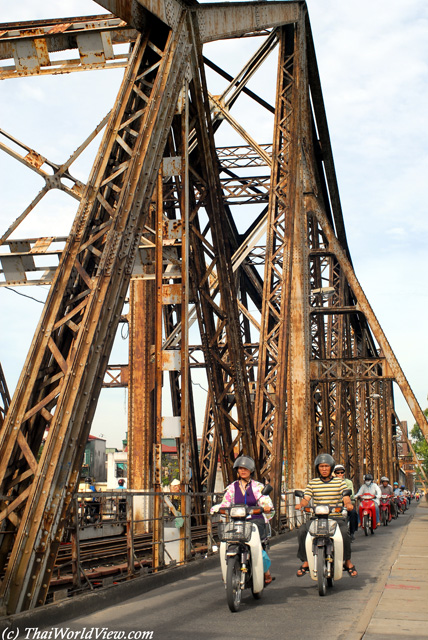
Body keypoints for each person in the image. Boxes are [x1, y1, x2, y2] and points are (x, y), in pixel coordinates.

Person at [211, 455, 275, 585]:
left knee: (257, 546)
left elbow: (264, 500)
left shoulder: (258, 487)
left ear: (250, 470)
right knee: (226, 543)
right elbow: (226, 502)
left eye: (245, 468)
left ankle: (266, 573)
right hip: (237, 520)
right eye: (240, 468)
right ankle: (227, 571)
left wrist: (266, 507)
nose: (243, 471)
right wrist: (218, 508)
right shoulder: (232, 487)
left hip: (254, 520)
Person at [295, 453, 357, 577]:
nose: (324, 469)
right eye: (321, 466)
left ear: (331, 467)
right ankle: (306, 561)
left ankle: (347, 561)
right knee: (302, 531)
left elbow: (345, 497)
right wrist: (301, 504)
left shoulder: (339, 483)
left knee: (345, 533)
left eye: (326, 466)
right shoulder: (313, 483)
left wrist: (348, 504)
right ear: (317, 468)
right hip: (317, 517)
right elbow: (306, 497)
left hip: (335, 517)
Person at [333, 464, 358, 540]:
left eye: (341, 472)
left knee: (353, 513)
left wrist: (349, 501)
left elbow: (351, 493)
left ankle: (352, 532)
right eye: (338, 473)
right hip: (334, 504)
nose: (340, 474)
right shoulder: (332, 482)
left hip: (345, 503)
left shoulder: (348, 482)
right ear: (334, 473)